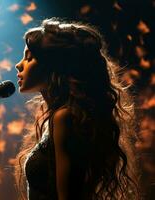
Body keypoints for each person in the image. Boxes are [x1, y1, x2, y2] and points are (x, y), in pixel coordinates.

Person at [14, 18, 140, 200]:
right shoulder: (60, 117)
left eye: (29, 58)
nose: (19, 65)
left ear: (54, 64)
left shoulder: (65, 117)